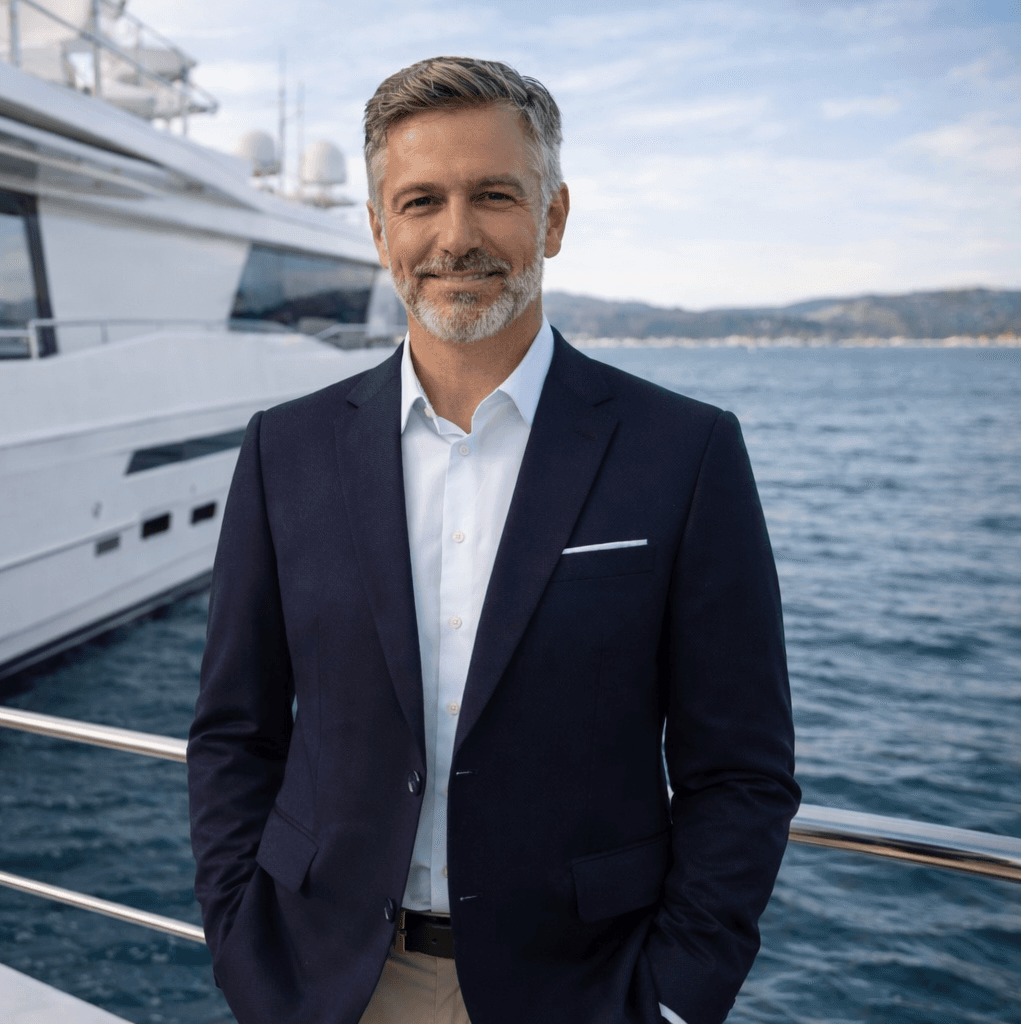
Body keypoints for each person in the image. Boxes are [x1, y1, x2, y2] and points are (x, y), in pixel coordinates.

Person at [187, 56, 799, 1024]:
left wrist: (676, 1000)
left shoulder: (685, 452)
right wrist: (241, 947)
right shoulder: (285, 449)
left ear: (552, 219)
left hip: (585, 991)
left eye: (495, 196)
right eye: (421, 200)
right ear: (381, 229)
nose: (456, 235)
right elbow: (235, 731)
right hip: (325, 984)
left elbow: (742, 770)